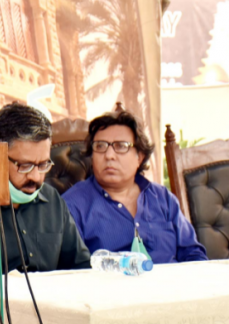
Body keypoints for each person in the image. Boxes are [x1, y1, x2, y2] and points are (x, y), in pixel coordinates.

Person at [63, 111, 207, 263]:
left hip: (173, 284)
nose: (109, 155)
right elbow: (73, 272)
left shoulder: (163, 198)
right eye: (100, 146)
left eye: (121, 146)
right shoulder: (72, 206)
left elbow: (193, 254)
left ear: (140, 157)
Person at [0, 102, 90, 273]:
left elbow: (81, 268)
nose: (35, 177)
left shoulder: (52, 199)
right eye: (25, 166)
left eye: (43, 165)